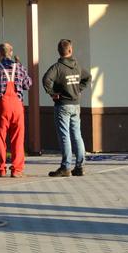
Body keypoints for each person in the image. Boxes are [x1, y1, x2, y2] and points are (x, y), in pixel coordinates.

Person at [41, 38, 92, 177]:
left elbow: (46, 79)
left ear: (59, 51)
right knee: (77, 135)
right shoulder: (77, 66)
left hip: (62, 105)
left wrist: (52, 93)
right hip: (76, 105)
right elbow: (88, 77)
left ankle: (65, 167)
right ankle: (80, 166)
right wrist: (78, 89)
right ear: (70, 50)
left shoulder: (57, 68)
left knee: (65, 136)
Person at [0, 41, 32, 177]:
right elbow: (28, 85)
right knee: (17, 138)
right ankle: (16, 169)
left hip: (1, 107)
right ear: (11, 53)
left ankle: (0, 169)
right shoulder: (20, 68)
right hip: (17, 107)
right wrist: (21, 66)